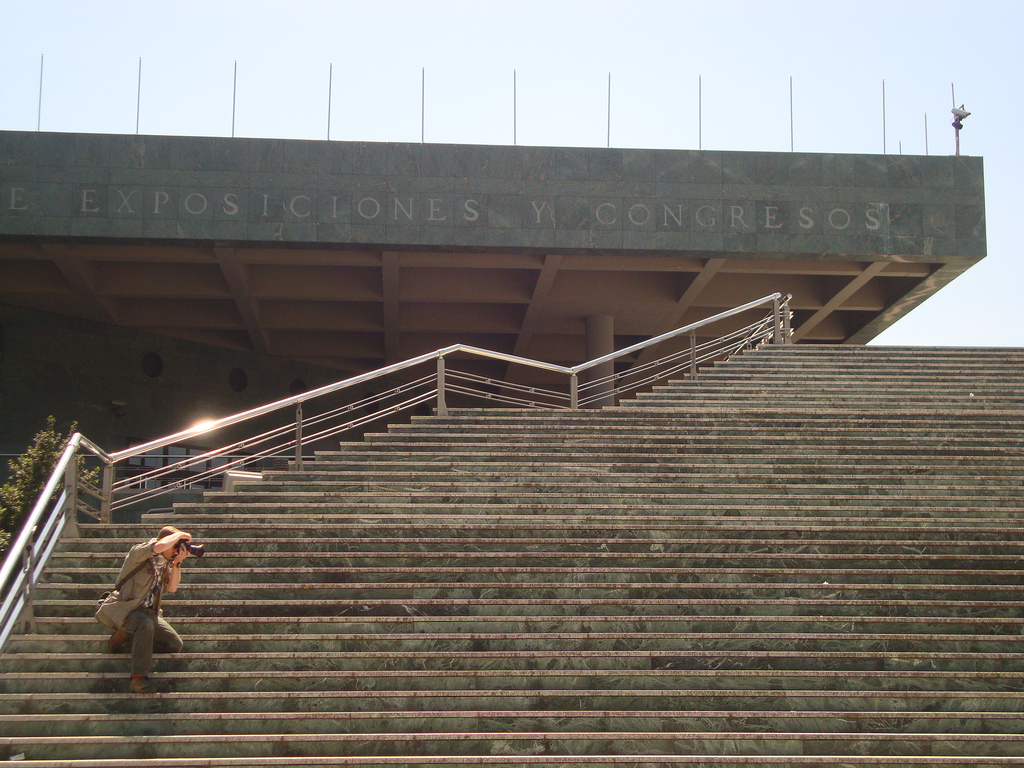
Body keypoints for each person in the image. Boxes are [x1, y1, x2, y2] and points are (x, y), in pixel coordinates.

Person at [95, 525, 194, 693]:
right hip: (127, 609)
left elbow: (172, 588)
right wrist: (181, 535)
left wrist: (177, 564)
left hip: (149, 613)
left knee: (174, 644)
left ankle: (122, 639)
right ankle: (138, 679)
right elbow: (159, 547)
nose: (176, 550)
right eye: (175, 545)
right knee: (145, 624)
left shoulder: (164, 565)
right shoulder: (139, 553)